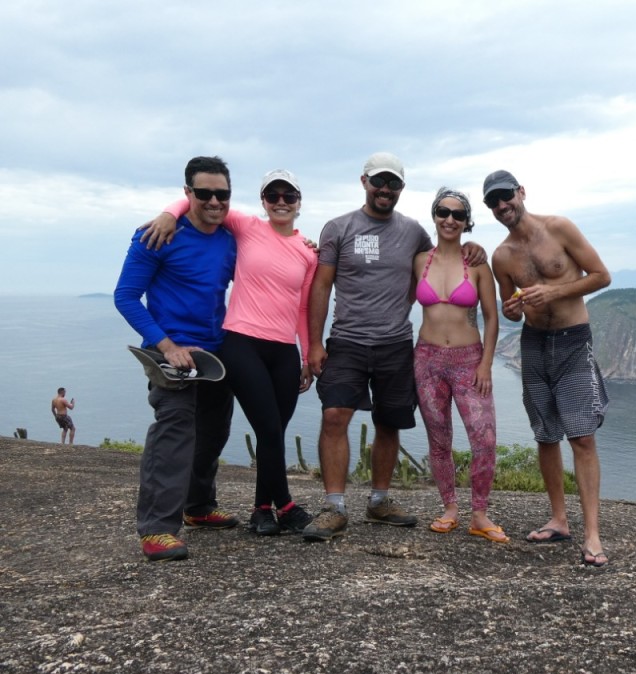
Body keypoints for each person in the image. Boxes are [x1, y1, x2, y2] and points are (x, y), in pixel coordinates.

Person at [302, 152, 486, 542]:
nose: (386, 189)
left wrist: (476, 248)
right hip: (348, 340)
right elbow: (321, 285)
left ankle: (379, 500)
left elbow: (444, 252)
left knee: (389, 421)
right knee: (335, 414)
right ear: (364, 181)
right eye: (379, 181)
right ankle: (334, 506)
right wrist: (314, 343)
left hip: (396, 343)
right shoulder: (339, 227)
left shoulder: (414, 232)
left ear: (401, 188)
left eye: (394, 183)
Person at [142, 169, 317, 537]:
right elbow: (202, 202)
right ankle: (285, 505)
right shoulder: (247, 226)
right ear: (263, 201)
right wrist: (169, 214)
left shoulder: (308, 251)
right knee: (267, 426)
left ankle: (261, 511)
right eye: (273, 195)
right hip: (240, 342)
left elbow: (302, 307)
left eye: (289, 196)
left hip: (285, 349)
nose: (281, 201)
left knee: (275, 432)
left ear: (299, 202)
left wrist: (305, 353)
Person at [484, 170, 613, 567]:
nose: (502, 205)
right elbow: (512, 310)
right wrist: (512, 308)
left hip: (574, 339)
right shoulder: (502, 256)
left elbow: (602, 276)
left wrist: (555, 290)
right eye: (493, 202)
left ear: (521, 192)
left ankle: (592, 534)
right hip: (534, 344)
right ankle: (560, 519)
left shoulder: (559, 228)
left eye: (506, 196)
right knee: (545, 435)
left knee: (582, 437)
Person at [114, 156, 238, 562]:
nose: (214, 201)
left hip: (215, 351)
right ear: (188, 194)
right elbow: (126, 296)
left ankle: (198, 506)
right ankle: (157, 529)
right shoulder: (156, 236)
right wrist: (165, 345)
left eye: (222, 193)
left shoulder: (229, 238)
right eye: (204, 193)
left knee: (214, 429)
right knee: (175, 431)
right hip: (172, 352)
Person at [414, 187, 506, 543]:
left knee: (484, 440)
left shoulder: (478, 263)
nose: (449, 219)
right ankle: (450, 508)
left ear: (467, 222)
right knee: (439, 440)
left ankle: (479, 513)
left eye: (457, 214)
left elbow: (491, 317)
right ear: (434, 216)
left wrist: (486, 365)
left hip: (469, 360)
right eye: (443, 212)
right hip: (426, 359)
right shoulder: (419, 261)